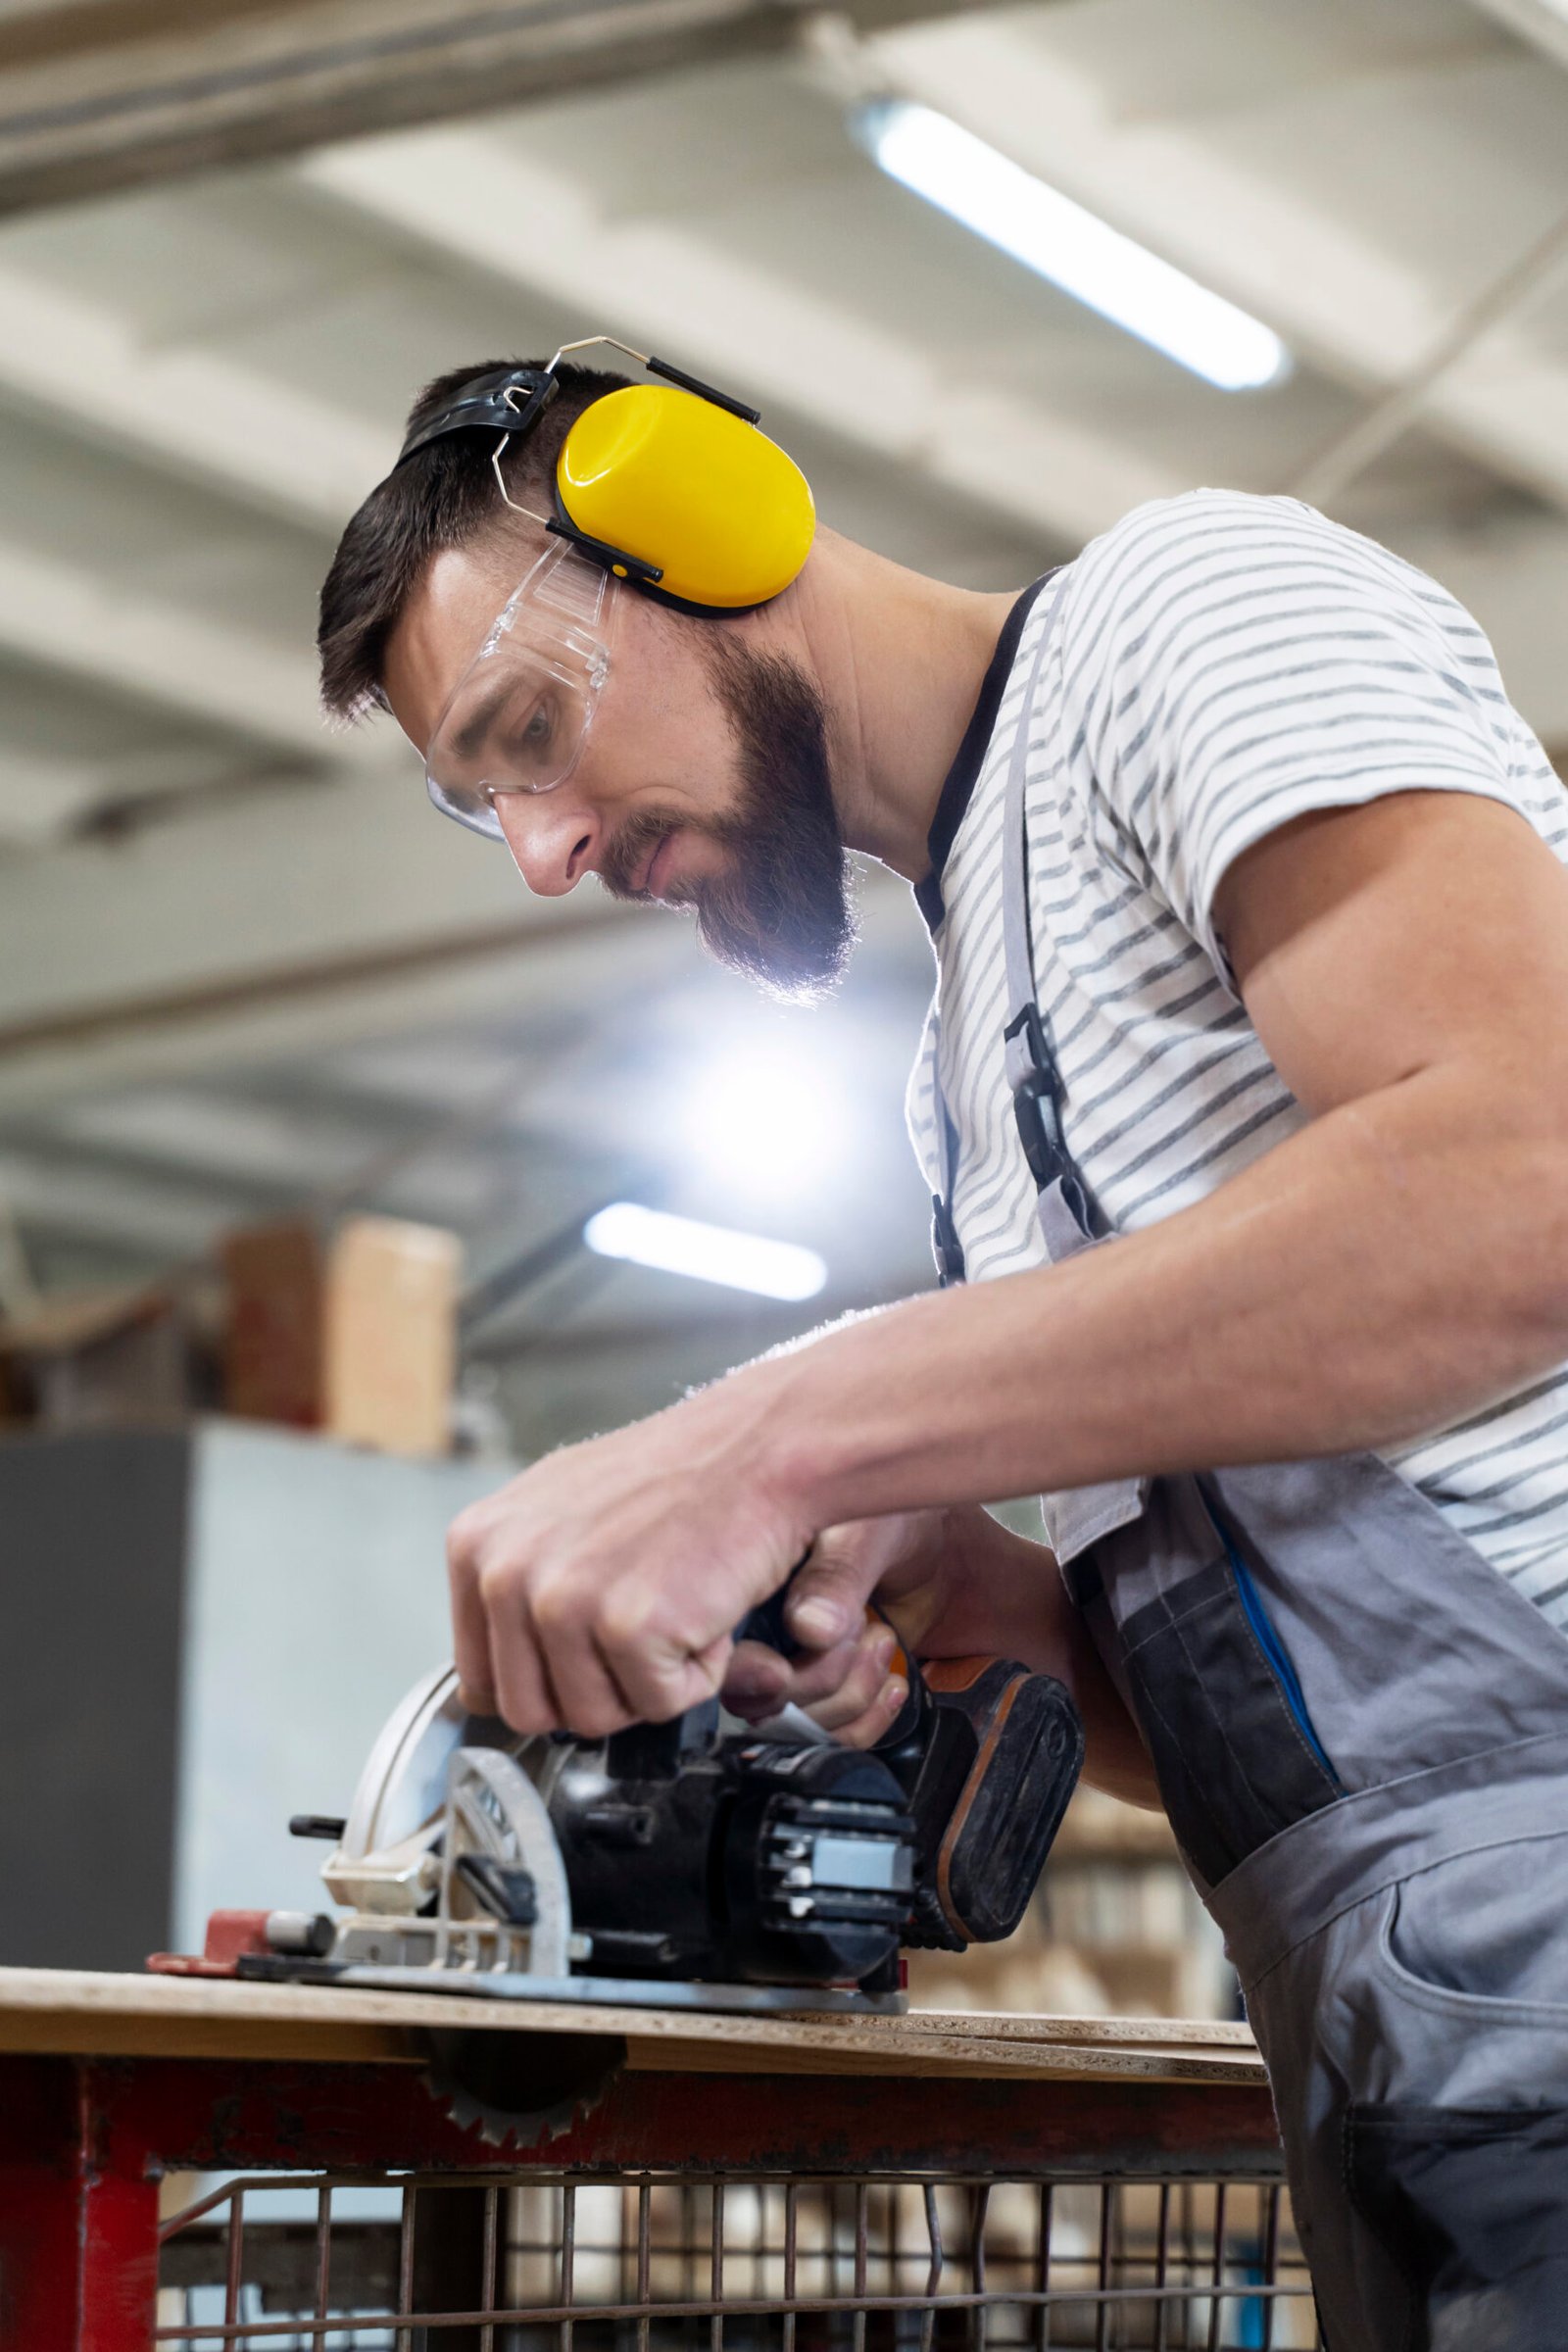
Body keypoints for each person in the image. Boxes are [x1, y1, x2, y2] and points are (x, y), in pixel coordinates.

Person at [318, 342, 1568, 2347]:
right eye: (492, 812)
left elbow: (1525, 1183)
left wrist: (781, 1435)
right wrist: (999, 1597)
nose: (546, 850)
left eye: (534, 732)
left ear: (714, 531)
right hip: (1401, 2047)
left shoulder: (1184, 609)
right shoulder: (962, 1080)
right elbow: (1292, 1746)